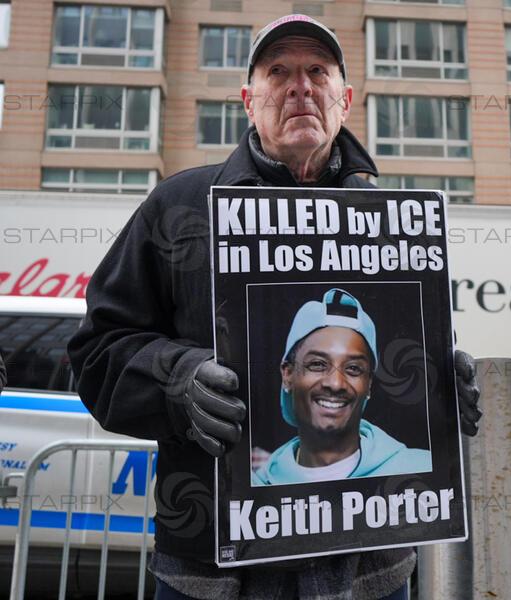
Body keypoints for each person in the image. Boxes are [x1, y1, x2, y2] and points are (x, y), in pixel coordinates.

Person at [68, 14, 480, 600]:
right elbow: (96, 352)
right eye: (278, 72)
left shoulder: (394, 220)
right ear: (248, 99)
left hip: (370, 570)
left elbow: (423, 347)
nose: (300, 87)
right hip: (212, 572)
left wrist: (443, 386)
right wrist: (177, 381)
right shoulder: (179, 207)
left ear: (345, 99)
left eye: (317, 71)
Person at [252, 288, 432, 485]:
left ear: (369, 384)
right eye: (317, 364)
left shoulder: (422, 468)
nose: (336, 383)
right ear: (287, 374)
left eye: (354, 368)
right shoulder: (257, 487)